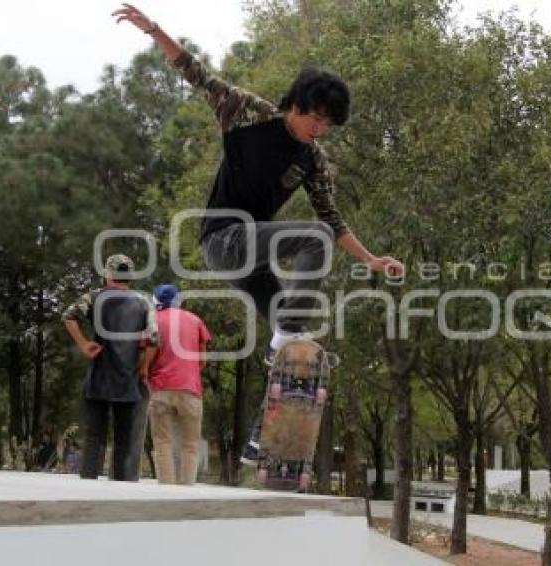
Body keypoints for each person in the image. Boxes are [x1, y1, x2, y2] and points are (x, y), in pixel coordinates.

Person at [113, 5, 405, 465]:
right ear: (297, 105)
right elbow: (196, 72)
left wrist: (370, 260)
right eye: (317, 119)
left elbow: (332, 218)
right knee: (310, 245)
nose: (320, 130)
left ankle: (257, 441)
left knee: (298, 345)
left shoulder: (315, 160)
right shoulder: (247, 112)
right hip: (223, 240)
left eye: (329, 125)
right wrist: (153, 30)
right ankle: (286, 331)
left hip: (252, 261)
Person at [63, 254, 157, 481]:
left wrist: (84, 344)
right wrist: (143, 368)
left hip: (99, 376)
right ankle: (121, 486)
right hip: (128, 379)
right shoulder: (144, 301)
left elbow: (68, 315)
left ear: (107, 274)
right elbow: (154, 338)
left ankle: (89, 482)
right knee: (124, 438)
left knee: (94, 434)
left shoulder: (95, 297)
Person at [142, 284, 212, 485]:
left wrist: (145, 370)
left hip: (161, 388)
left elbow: (147, 351)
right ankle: (187, 489)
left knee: (163, 442)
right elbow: (203, 360)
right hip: (190, 389)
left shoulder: (153, 321)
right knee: (190, 445)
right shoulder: (195, 320)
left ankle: (166, 490)